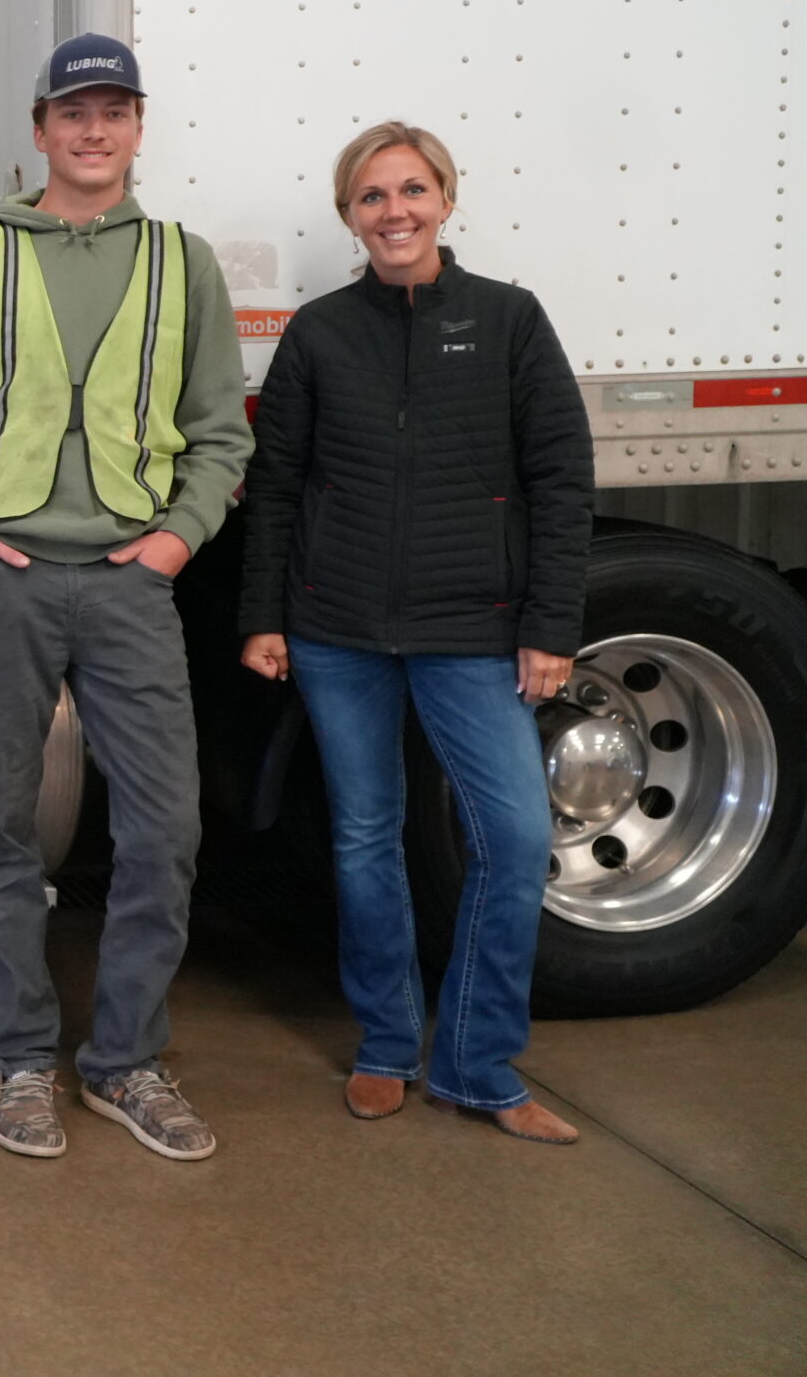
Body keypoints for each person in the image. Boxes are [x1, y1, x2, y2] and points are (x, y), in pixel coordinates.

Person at [0, 34, 252, 1163]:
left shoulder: (180, 262)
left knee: (165, 828)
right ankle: (18, 1062)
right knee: (2, 830)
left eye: (113, 110)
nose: (92, 130)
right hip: (3, 585)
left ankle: (125, 1064)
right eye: (72, 112)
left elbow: (218, 435)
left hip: (127, 590)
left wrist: (170, 545)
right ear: (39, 129)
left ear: (138, 126)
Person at [239, 122, 592, 1144]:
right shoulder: (318, 333)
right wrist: (264, 615)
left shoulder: (508, 321)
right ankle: (387, 1045)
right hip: (336, 630)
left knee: (517, 841)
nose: (393, 212)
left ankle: (479, 1066)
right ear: (349, 215)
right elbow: (276, 486)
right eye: (370, 197)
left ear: (444, 198)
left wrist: (548, 626)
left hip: (471, 632)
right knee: (363, 839)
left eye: (411, 190)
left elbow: (559, 481)